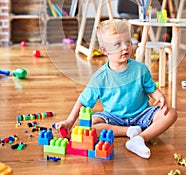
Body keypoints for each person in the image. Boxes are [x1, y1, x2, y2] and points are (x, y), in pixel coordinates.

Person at [55, 19, 177, 159]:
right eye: (117, 44)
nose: (125, 47)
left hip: (142, 114)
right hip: (113, 118)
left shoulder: (140, 69)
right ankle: (129, 131)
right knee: (90, 126)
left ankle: (140, 139)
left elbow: (151, 88)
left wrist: (159, 96)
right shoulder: (100, 77)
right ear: (104, 50)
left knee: (171, 113)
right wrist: (70, 121)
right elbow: (83, 101)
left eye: (128, 42)